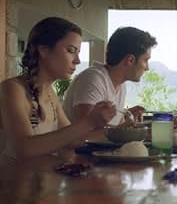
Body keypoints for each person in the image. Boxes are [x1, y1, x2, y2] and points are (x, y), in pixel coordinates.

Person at [0, 17, 116, 158]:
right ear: (43, 50)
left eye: (78, 52)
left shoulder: (50, 94)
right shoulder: (12, 89)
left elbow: (72, 140)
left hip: (44, 178)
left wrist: (121, 133)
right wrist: (88, 122)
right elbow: (25, 148)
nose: (77, 60)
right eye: (71, 50)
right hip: (14, 180)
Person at [63, 26, 157, 136]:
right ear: (130, 60)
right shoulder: (93, 79)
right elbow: (86, 135)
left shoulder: (121, 86)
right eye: (145, 60)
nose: (147, 67)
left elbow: (115, 130)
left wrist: (148, 126)